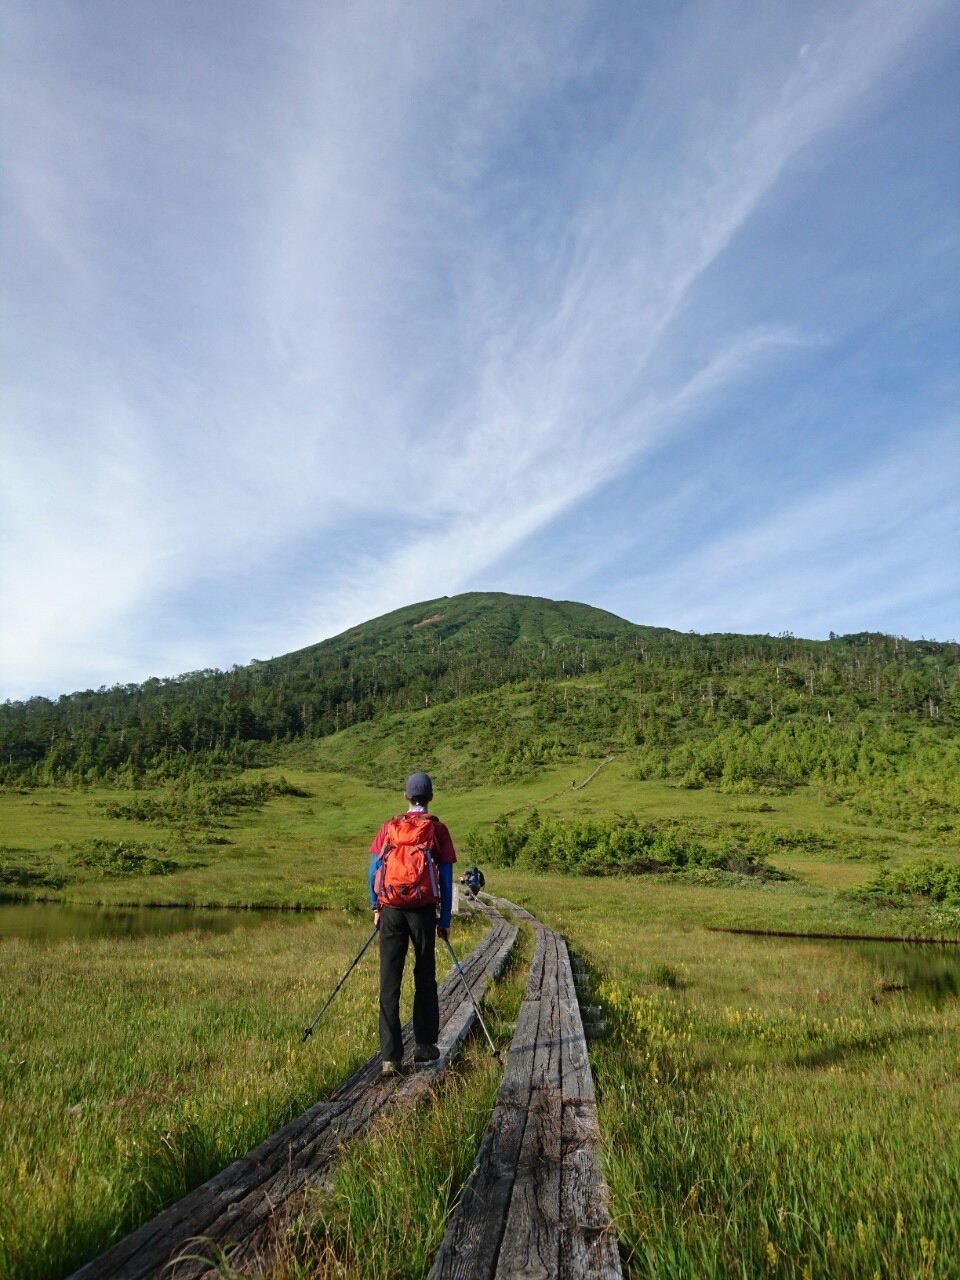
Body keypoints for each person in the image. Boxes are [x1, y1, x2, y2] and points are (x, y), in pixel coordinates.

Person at [368, 771, 456, 1076]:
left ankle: (390, 1058)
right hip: (422, 910)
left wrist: (376, 905)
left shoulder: (389, 827)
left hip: (391, 908)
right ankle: (424, 1045)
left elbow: (374, 869)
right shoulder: (437, 830)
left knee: (389, 981)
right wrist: (443, 920)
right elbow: (445, 878)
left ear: (406, 797)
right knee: (425, 974)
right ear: (430, 797)